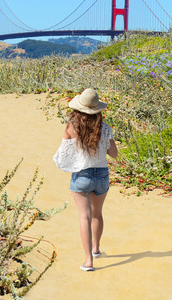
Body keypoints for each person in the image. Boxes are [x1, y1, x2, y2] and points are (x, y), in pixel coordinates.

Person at [54, 88, 118, 272]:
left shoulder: (72, 127)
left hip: (82, 175)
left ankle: (89, 261)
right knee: (97, 214)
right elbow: (113, 154)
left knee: (84, 216)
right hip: (102, 176)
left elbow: (62, 155)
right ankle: (96, 249)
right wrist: (104, 144)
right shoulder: (105, 129)